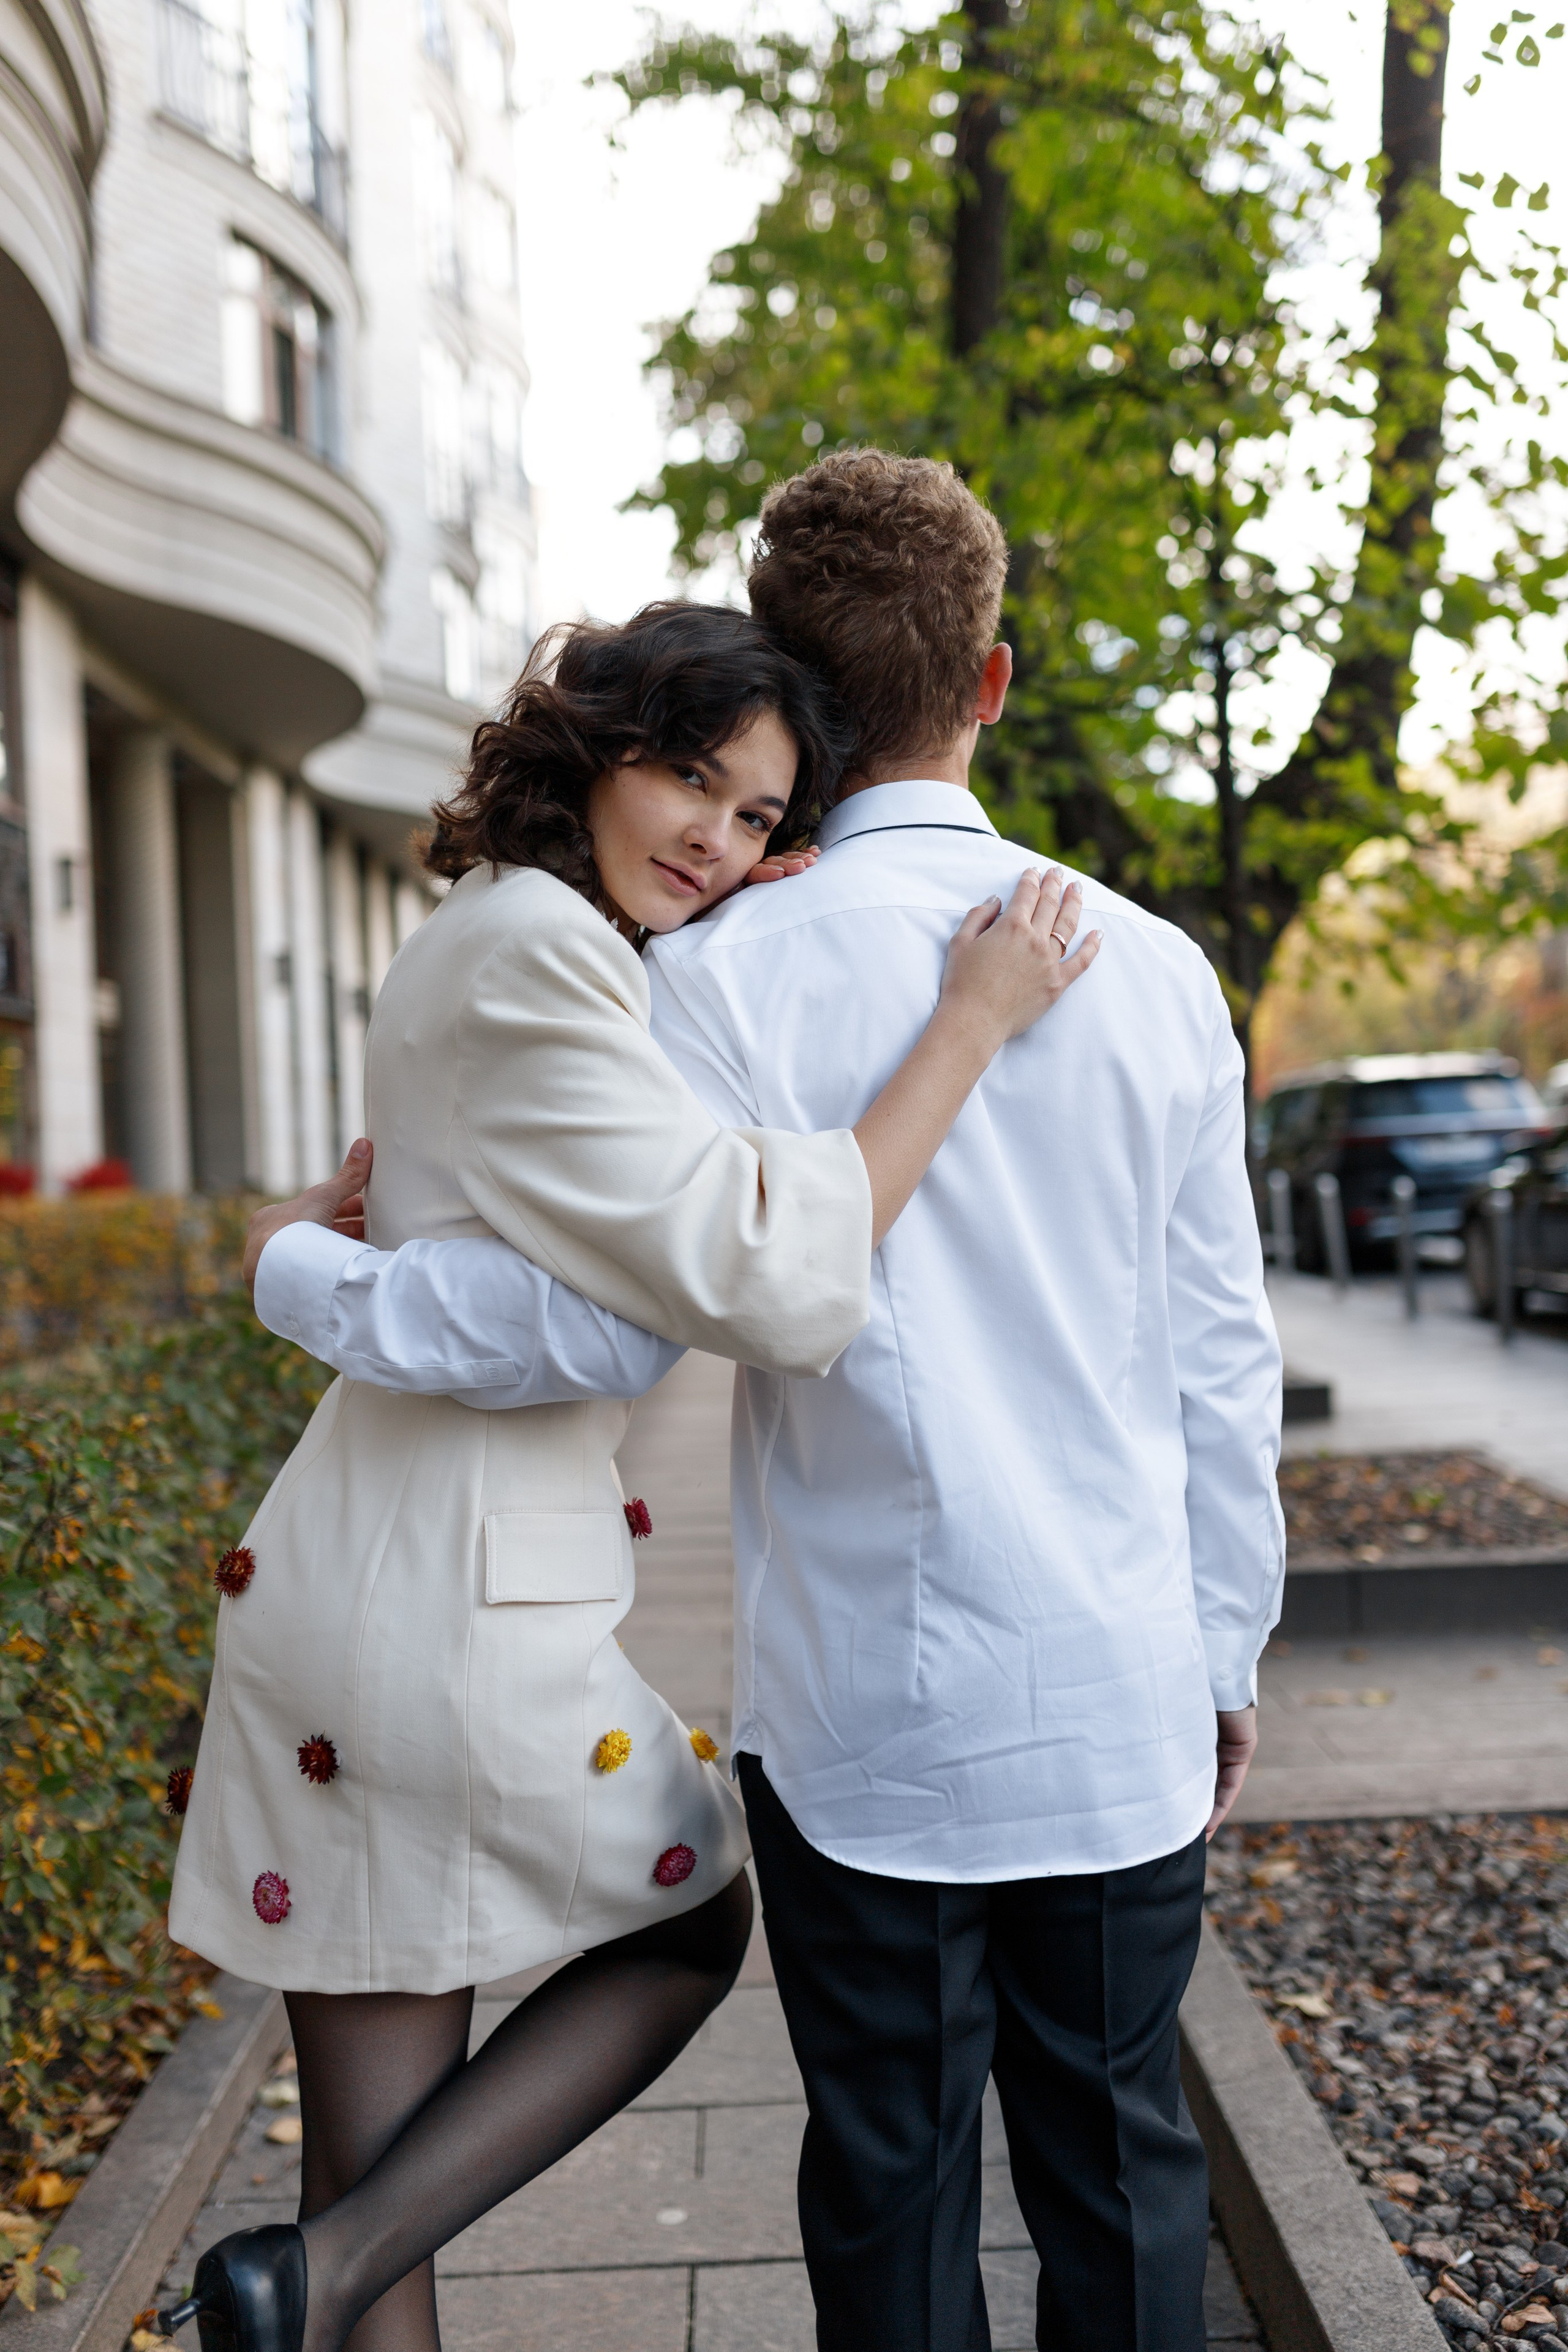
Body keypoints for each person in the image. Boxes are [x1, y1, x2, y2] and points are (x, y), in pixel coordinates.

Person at [252, 451, 1286, 2352]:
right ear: (991, 682)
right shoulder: (1151, 974)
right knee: (1127, 2177)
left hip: (867, 1721)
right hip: (1118, 1690)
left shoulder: (708, 975)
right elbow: (1220, 1359)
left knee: (888, 2183)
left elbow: (596, 1331)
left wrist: (303, 1270)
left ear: (791, 700)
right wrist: (1228, 1646)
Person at [159, 597, 1098, 2352]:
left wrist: (305, 1269)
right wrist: (967, 1022)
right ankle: (329, 2272)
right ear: (588, 746)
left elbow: (550, 1274)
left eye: (756, 817)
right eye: (688, 778)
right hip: (446, 1596)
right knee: (685, 1924)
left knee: (376, 2188)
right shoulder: (540, 952)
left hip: (367, 1579)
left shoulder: (502, 934)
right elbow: (726, 1277)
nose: (716, 840)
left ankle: (323, 2277)